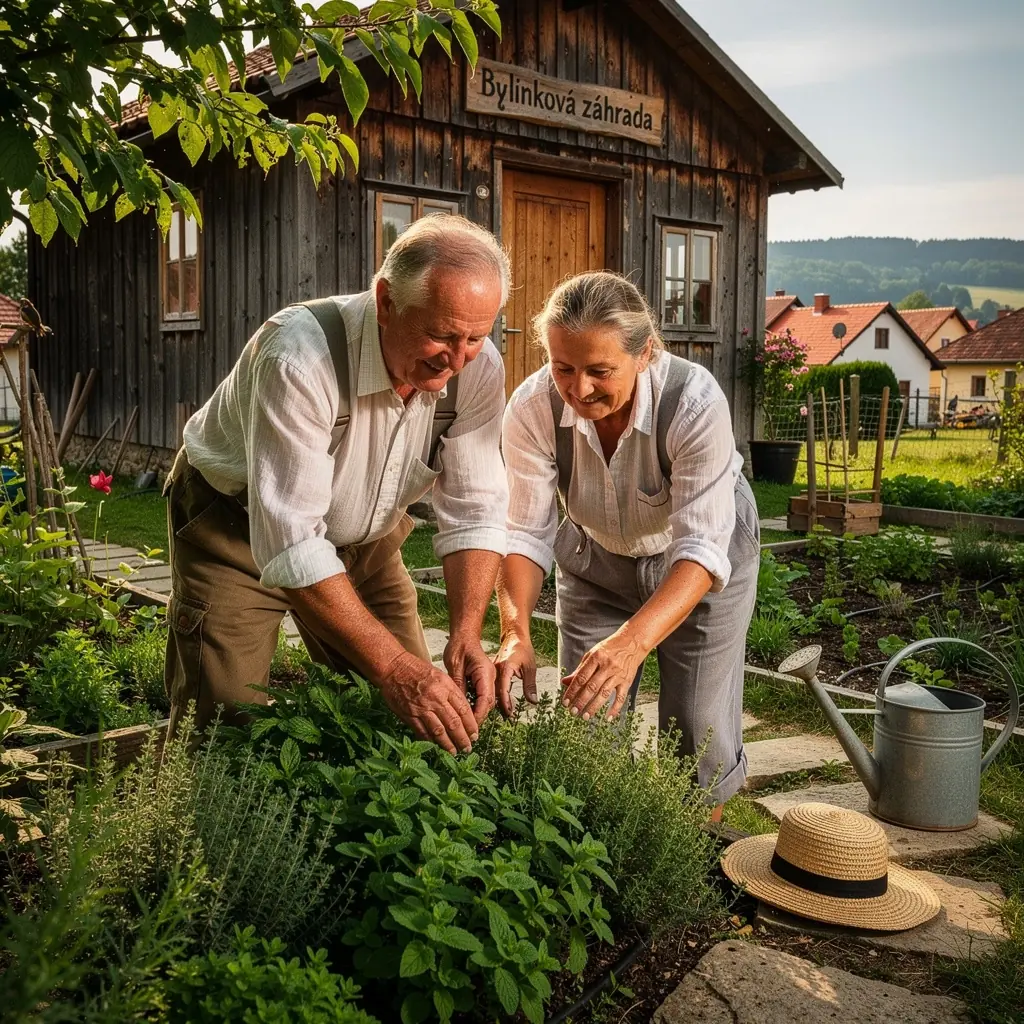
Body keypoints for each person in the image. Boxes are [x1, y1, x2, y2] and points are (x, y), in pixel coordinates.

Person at [164, 215, 510, 755]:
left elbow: (476, 509)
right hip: (236, 531)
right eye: (441, 334)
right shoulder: (299, 355)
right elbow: (293, 543)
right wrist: (394, 668)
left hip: (364, 541)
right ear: (386, 302)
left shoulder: (478, 368)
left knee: (413, 728)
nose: (457, 357)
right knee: (226, 729)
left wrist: (467, 631)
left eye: (476, 336)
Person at [493, 272, 759, 815]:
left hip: (699, 561)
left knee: (696, 729)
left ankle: (698, 845)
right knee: (586, 721)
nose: (579, 389)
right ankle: (595, 849)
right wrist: (515, 630)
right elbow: (524, 531)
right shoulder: (532, 407)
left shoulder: (693, 401)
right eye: (563, 368)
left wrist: (633, 645)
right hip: (595, 557)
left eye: (600, 371)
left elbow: (701, 547)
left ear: (645, 353)